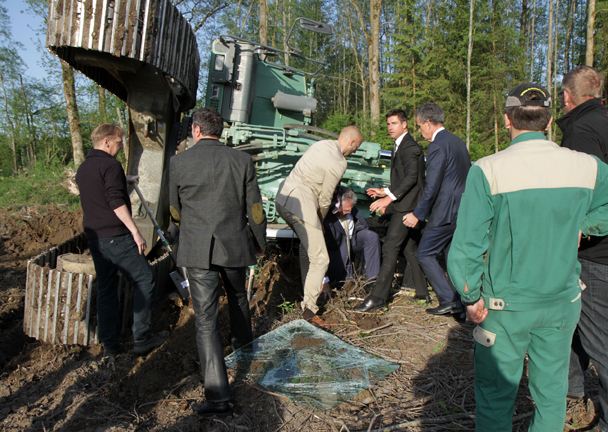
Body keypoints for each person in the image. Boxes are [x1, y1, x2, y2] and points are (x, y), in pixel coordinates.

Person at [448, 82, 608, 432]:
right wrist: (585, 225)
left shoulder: (488, 170)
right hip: (562, 302)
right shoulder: (588, 167)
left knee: (495, 398)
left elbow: (466, 245)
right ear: (550, 121)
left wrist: (470, 296)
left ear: (507, 119)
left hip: (505, 306)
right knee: (552, 394)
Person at [169, 107, 267, 418]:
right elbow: (254, 208)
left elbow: (174, 209)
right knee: (239, 297)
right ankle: (244, 353)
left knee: (206, 322)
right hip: (235, 245)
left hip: (197, 249)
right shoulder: (241, 160)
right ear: (219, 131)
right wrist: (260, 242)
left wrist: (183, 234)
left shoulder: (179, 161)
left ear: (196, 130)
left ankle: (218, 396)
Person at [75, 124, 166, 360]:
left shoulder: (84, 168)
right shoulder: (110, 165)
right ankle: (141, 339)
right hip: (116, 236)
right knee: (144, 280)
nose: (121, 146)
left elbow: (99, 191)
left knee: (106, 289)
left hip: (95, 238)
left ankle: (111, 344)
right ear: (106, 142)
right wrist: (135, 231)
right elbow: (116, 202)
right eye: (119, 142)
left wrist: (122, 179)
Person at [557, 66, 608, 432]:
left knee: (599, 338)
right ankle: (572, 388)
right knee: (572, 320)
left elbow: (583, 190)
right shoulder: (603, 119)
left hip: (593, 253)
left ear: (566, 95)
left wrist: (579, 227)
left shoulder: (581, 129)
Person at [276, 126, 363, 326]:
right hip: (301, 205)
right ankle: (309, 310)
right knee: (321, 259)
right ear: (350, 142)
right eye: (356, 147)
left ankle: (306, 294)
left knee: (309, 247)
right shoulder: (339, 161)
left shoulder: (321, 144)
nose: (354, 151)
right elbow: (325, 198)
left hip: (282, 199)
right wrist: (320, 221)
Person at [354, 108, 428, 312]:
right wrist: (384, 190)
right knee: (409, 249)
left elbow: (412, 178)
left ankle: (378, 297)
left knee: (390, 247)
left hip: (408, 207)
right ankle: (423, 292)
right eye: (388, 124)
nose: (390, 127)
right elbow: (403, 178)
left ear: (405, 124)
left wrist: (388, 199)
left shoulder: (410, 147)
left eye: (394, 123)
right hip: (404, 203)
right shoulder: (400, 145)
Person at [403, 103, 470, 316]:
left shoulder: (437, 146)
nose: (419, 130)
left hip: (444, 212)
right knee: (452, 257)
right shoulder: (457, 141)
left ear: (429, 123)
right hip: (461, 210)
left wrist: (417, 214)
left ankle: (449, 300)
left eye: (419, 125)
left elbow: (432, 186)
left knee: (424, 253)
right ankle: (461, 300)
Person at [321, 186, 381, 294]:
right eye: (346, 210)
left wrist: (369, 257)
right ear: (337, 206)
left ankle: (373, 282)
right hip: (336, 249)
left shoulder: (350, 210)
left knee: (371, 236)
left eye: (351, 210)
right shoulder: (326, 220)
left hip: (352, 241)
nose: (349, 212)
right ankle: (343, 283)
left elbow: (361, 226)